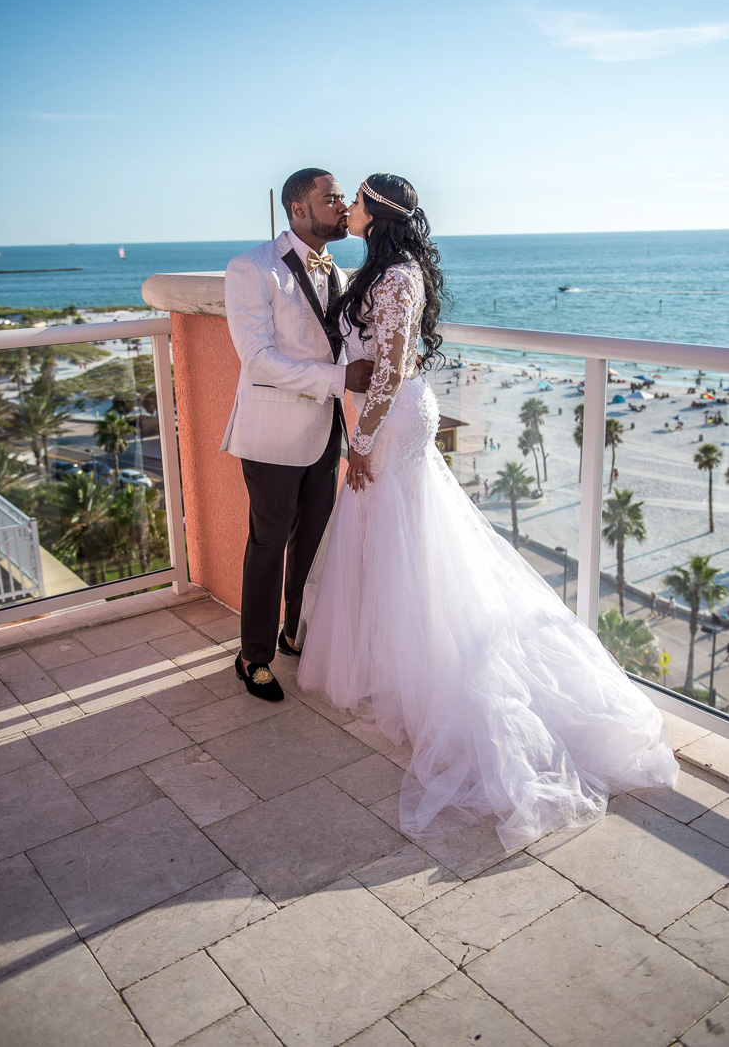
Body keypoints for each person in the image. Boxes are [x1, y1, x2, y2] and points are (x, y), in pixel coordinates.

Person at [295, 173, 679, 854]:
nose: (347, 208)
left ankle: (434, 679)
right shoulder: (386, 270)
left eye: (355, 200)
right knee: (394, 545)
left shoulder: (396, 279)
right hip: (391, 416)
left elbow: (386, 371)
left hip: (391, 423)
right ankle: (398, 669)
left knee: (407, 545)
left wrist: (358, 444)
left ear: (376, 215)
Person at [221, 168, 374, 702]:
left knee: (310, 540)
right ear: (298, 209)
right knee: (268, 544)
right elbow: (258, 361)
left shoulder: (340, 268)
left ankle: (294, 632)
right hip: (273, 432)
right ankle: (252, 656)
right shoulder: (252, 268)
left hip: (324, 430)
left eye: (341, 198)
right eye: (331, 198)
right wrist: (339, 380)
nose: (341, 206)